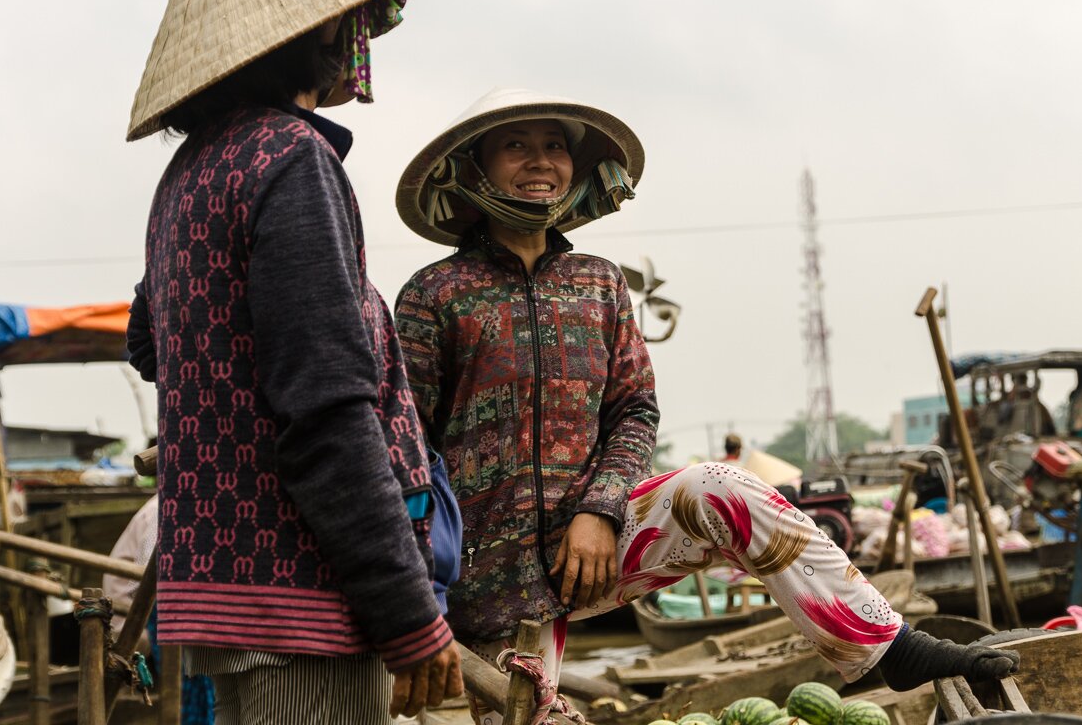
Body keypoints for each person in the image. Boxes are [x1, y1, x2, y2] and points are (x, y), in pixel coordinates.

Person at [393, 89, 1020, 721]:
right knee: (531, 713)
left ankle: (891, 646)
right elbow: (406, 451)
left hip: (596, 543)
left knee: (720, 488)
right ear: (476, 167)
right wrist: (423, 596)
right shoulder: (434, 294)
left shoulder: (599, 282)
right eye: (516, 146)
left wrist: (601, 507)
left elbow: (634, 410)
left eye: (554, 146)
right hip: (487, 581)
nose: (540, 162)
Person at [124, 0, 462, 723]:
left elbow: (153, 342)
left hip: (219, 582)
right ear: (315, 36)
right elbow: (324, 410)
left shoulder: (189, 174)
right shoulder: (291, 156)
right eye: (354, 24)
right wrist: (407, 611)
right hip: (300, 588)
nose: (365, 38)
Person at [103, 497, 215, 724]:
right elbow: (148, 582)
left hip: (147, 610)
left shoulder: (177, 503)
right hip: (130, 624)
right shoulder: (164, 508)